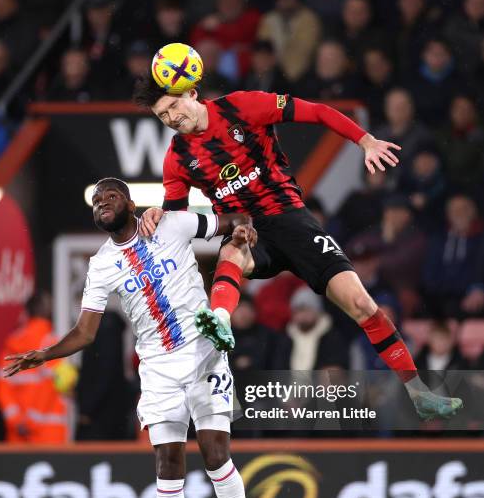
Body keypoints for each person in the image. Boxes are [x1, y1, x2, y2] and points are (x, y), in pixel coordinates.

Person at [135, 73, 462, 422]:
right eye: (162, 115)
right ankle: (221, 322)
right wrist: (160, 215)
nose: (171, 118)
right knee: (231, 249)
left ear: (192, 92)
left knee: (362, 304)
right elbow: (177, 218)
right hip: (249, 231)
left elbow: (319, 112)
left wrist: (365, 141)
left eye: (172, 106)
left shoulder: (242, 106)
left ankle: (420, 393)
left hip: (293, 223)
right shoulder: (177, 158)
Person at [2, 177, 261, 498]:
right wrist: (44, 353)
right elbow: (86, 333)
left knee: (216, 454)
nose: (102, 203)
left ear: (129, 202)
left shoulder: (174, 224)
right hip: (157, 366)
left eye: (110, 196)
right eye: (96, 201)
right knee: (167, 463)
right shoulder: (102, 264)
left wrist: (243, 227)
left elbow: (231, 221)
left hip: (204, 349)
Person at [0, 291, 75, 443]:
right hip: (49, 436)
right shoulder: (52, 345)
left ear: (27, 313)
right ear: (48, 312)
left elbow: (2, 389)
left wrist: (17, 421)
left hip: (18, 435)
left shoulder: (10, 346)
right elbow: (64, 384)